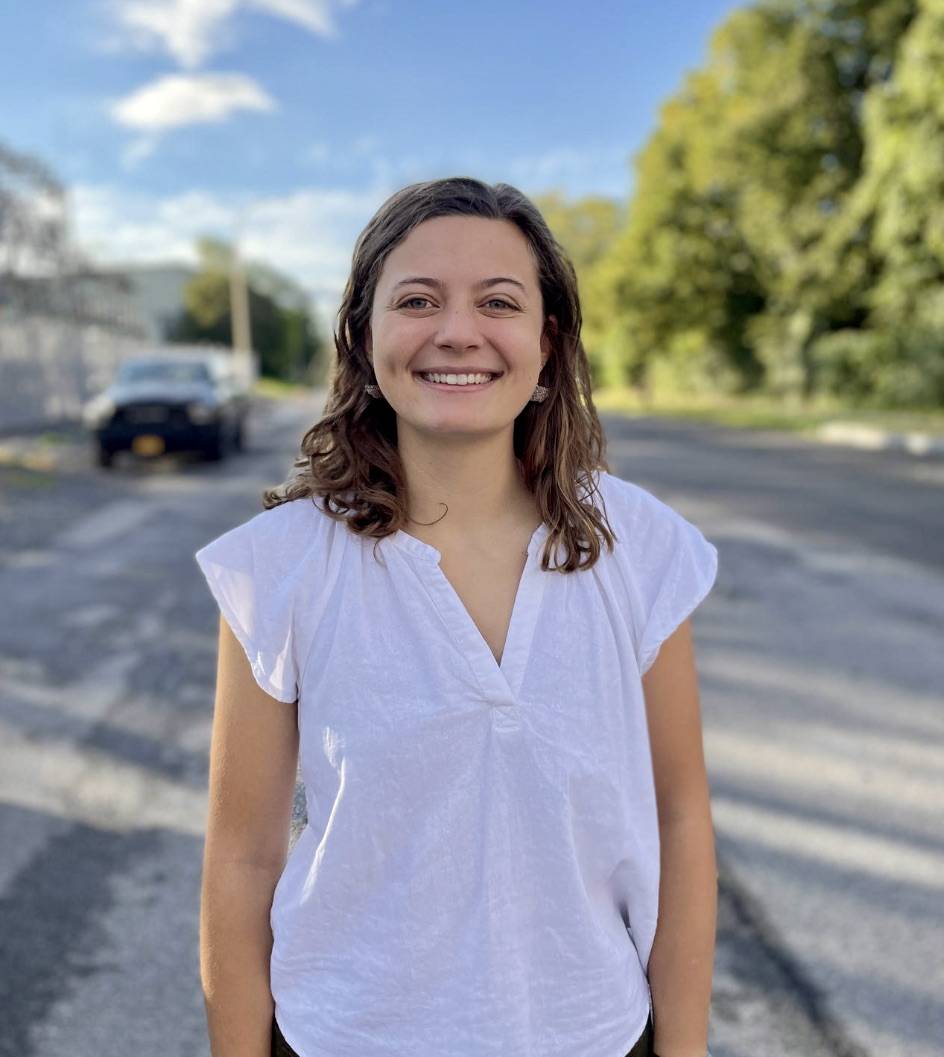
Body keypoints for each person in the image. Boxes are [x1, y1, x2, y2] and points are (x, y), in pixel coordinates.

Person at [195, 176, 719, 1057]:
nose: (457, 331)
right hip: (342, 1035)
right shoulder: (277, 566)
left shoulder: (642, 547)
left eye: (499, 301)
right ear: (365, 340)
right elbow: (241, 858)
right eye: (417, 300)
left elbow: (681, 813)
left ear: (546, 345)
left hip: (594, 1033)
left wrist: (686, 1045)